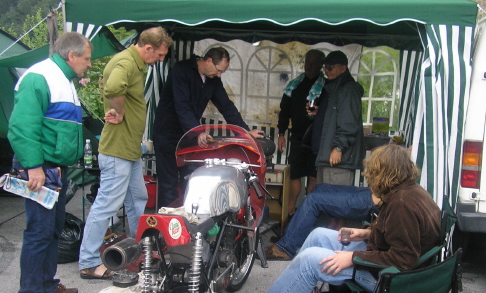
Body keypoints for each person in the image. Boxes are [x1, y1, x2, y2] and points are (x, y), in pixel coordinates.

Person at [228, 144, 441, 293]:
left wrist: (352, 257)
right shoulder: (410, 192)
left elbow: (403, 259)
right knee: (319, 234)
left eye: (373, 172)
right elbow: (399, 235)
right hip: (384, 263)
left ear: (384, 173)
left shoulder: (402, 204)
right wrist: (366, 233)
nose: (369, 177)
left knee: (310, 260)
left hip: (393, 281)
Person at [8, 32, 93, 293]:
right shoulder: (39, 77)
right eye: (87, 58)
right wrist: (33, 166)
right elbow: (21, 126)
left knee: (54, 229)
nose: (89, 64)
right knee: (39, 231)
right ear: (72, 56)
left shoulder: (63, 80)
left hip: (55, 167)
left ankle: (46, 283)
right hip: (40, 168)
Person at [78, 27, 172, 280]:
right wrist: (118, 112)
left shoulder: (134, 63)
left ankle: (139, 248)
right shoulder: (126, 62)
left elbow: (114, 89)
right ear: (148, 47)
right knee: (106, 204)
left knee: (138, 198)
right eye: (160, 54)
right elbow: (113, 87)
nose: (161, 59)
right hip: (117, 150)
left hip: (129, 149)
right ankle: (87, 262)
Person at [153, 47, 264, 209]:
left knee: (190, 181)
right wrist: (197, 131)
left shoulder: (212, 79)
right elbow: (182, 106)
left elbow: (226, 106)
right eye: (219, 71)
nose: (219, 75)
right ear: (209, 61)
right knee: (168, 184)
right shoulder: (181, 71)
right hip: (167, 134)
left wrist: (246, 132)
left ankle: (190, 223)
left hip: (188, 138)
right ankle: (168, 227)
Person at [266, 183, 377, 261]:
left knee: (313, 200)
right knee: (320, 188)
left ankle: (285, 248)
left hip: (374, 200)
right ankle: (292, 237)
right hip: (373, 192)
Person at [277, 49, 325, 217]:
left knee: (313, 177)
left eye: (314, 63)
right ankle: (290, 212)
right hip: (297, 138)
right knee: (295, 174)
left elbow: (331, 114)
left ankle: (307, 212)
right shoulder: (294, 85)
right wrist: (281, 133)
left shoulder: (326, 88)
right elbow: (284, 111)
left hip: (317, 140)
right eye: (307, 62)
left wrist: (319, 113)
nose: (310, 66)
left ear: (320, 65)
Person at [309, 50, 364, 186]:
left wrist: (339, 148)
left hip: (338, 161)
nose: (326, 71)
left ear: (343, 68)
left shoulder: (348, 89)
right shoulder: (334, 89)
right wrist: (320, 113)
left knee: (333, 203)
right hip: (327, 157)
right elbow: (335, 118)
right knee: (325, 201)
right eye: (325, 68)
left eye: (330, 68)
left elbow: (349, 123)